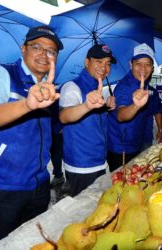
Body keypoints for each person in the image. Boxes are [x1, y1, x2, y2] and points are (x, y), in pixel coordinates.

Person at [0, 25, 63, 245]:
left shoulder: (48, 88)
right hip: (0, 188)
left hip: (39, 185)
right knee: (2, 244)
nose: (44, 55)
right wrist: (27, 104)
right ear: (23, 49)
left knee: (32, 243)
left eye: (51, 51)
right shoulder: (1, 74)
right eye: (37, 47)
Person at [59, 44, 116, 197]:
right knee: (82, 213)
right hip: (82, 165)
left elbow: (93, 122)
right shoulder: (72, 86)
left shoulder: (98, 88)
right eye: (99, 61)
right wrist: (86, 106)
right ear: (86, 62)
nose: (104, 67)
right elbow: (64, 115)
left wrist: (106, 108)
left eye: (108, 63)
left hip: (99, 160)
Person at [107, 43, 162, 172]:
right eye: (138, 63)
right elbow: (121, 116)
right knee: (121, 184)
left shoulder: (145, 86)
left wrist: (161, 130)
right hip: (121, 147)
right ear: (130, 65)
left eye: (147, 64)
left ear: (152, 67)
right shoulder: (125, 86)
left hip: (137, 142)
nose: (143, 68)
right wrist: (136, 106)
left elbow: (156, 110)